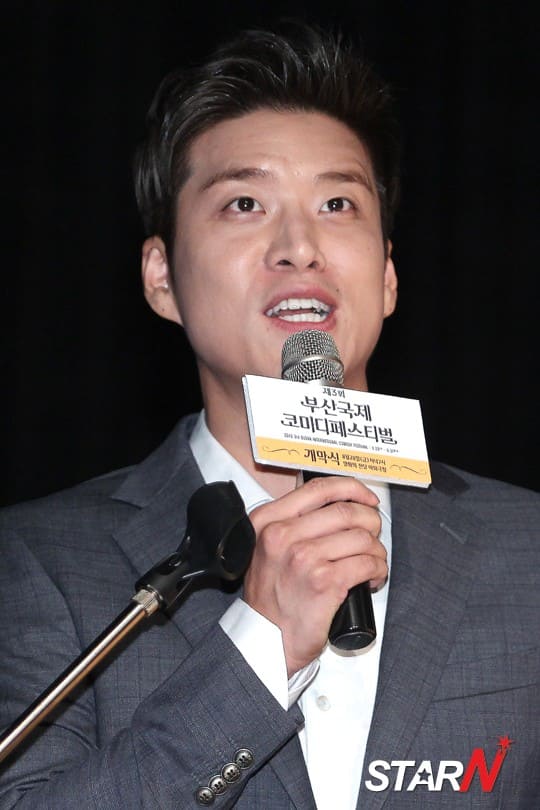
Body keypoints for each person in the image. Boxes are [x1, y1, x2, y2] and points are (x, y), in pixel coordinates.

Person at [0, 22, 538, 810]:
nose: (299, 246)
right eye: (245, 203)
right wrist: (261, 646)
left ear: (388, 277)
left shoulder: (527, 550)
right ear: (161, 277)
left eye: (338, 203)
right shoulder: (38, 561)